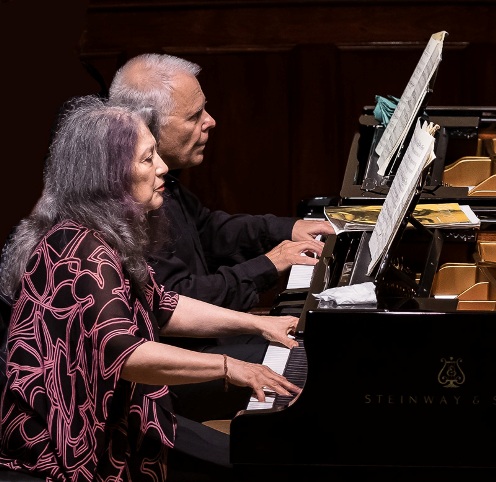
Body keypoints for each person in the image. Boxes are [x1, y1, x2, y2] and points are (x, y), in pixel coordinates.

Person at [0, 95, 301, 481]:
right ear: (108, 175)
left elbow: (162, 304)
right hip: (74, 450)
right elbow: (124, 355)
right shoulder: (82, 250)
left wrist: (258, 325)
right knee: (249, 463)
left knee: (247, 456)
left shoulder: (102, 233)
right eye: (147, 159)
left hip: (120, 420)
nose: (161, 168)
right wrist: (230, 367)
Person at [107, 52, 335, 314]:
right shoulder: (128, 201)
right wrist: (269, 264)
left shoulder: (164, 182)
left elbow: (206, 229)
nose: (210, 121)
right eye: (194, 117)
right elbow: (178, 300)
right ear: (148, 125)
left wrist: (287, 229)